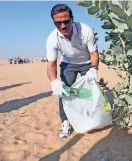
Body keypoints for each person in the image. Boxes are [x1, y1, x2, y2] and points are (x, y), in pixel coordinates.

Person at [46, 4, 99, 138]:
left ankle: (91, 115)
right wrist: (53, 82)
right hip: (68, 64)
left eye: (66, 21)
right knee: (64, 91)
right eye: (58, 23)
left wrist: (94, 69)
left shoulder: (85, 30)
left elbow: (94, 53)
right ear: (54, 22)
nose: (62, 26)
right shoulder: (52, 39)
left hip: (87, 62)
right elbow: (51, 64)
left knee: (91, 90)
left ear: (72, 19)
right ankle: (65, 121)